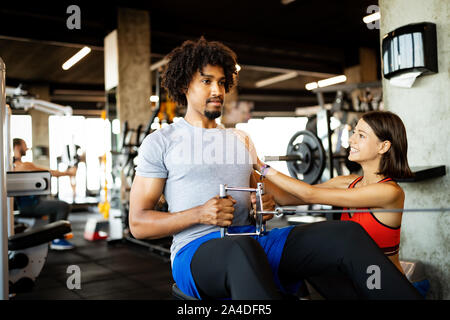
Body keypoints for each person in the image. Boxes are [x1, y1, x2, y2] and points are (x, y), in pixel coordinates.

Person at [129, 37, 422, 300]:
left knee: (345, 234)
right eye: (206, 81)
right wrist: (199, 213)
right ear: (184, 85)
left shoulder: (240, 139)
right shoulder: (161, 142)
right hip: (196, 252)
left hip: (255, 241)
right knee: (241, 251)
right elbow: (139, 224)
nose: (217, 90)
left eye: (221, 82)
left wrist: (269, 202)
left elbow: (276, 195)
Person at [251, 111, 411, 273]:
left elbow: (309, 194)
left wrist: (261, 167)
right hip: (356, 278)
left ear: (383, 146)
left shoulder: (389, 192)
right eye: (354, 132)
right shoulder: (347, 182)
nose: (351, 139)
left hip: (383, 283)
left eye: (361, 136)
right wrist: (248, 171)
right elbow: (287, 198)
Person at [13, 138, 76, 250]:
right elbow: (49, 172)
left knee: (54, 206)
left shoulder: (12, 164)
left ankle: (51, 237)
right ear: (17, 147)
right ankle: (57, 239)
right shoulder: (22, 165)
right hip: (30, 206)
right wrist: (68, 173)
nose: (27, 148)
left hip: (23, 205)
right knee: (63, 206)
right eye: (25, 145)